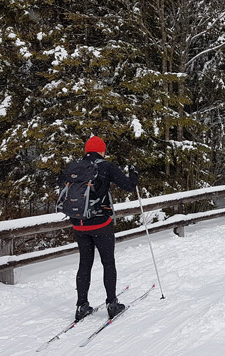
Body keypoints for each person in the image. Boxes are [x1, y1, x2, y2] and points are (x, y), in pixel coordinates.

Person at [58, 136, 139, 321]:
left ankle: (81, 306)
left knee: (84, 263)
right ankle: (112, 304)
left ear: (87, 150)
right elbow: (129, 186)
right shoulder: (106, 166)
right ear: (101, 150)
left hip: (79, 224)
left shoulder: (74, 168)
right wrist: (134, 173)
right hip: (101, 224)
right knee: (108, 262)